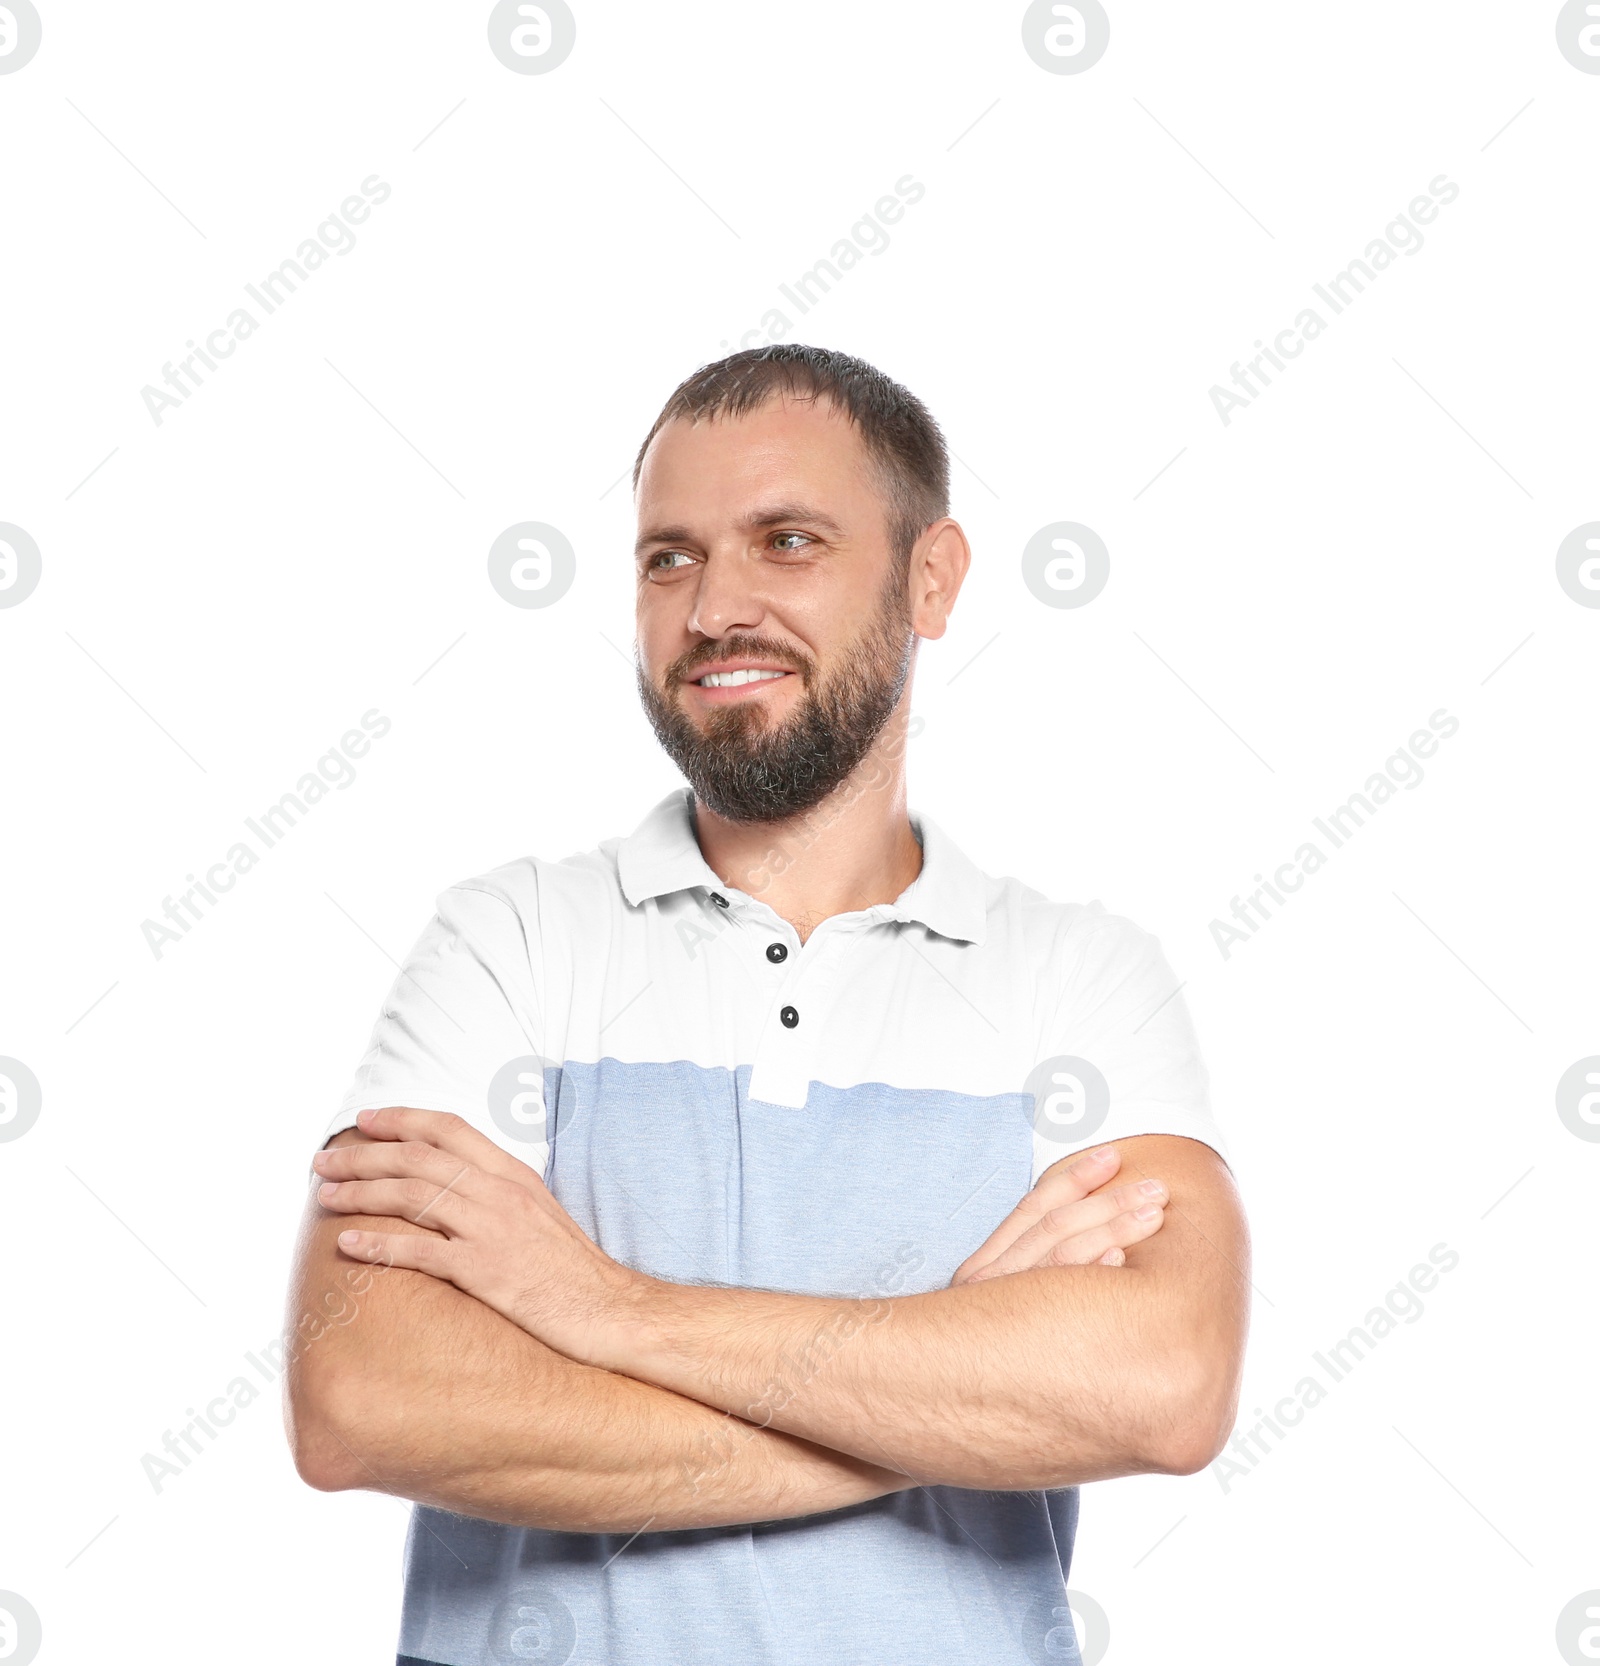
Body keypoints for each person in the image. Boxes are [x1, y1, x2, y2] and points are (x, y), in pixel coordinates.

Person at [285, 344, 1250, 1666]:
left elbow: (1165, 1387)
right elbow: (363, 1396)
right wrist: (942, 1391)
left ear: (932, 577)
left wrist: (602, 1306)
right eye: (667, 557)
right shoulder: (506, 941)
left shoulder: (1079, 978)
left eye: (785, 540)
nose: (712, 605)